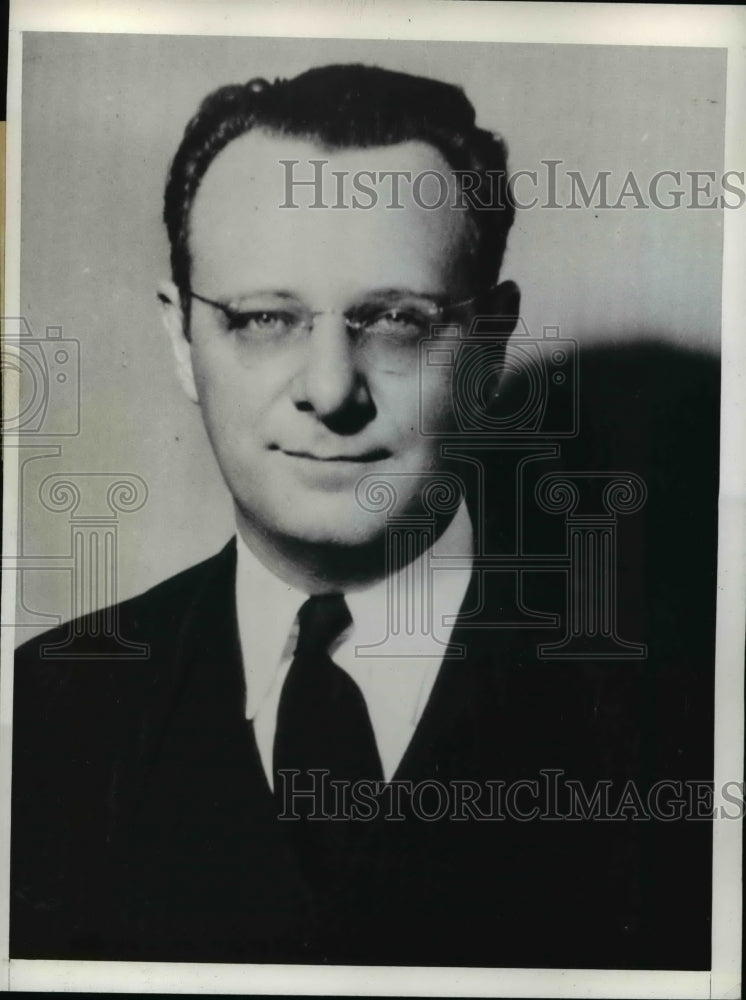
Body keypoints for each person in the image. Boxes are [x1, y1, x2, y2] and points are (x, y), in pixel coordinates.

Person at [10, 63, 712, 969]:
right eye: (265, 319)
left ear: (491, 348)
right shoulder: (44, 716)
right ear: (182, 339)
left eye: (395, 320)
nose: (332, 390)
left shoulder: (675, 720)